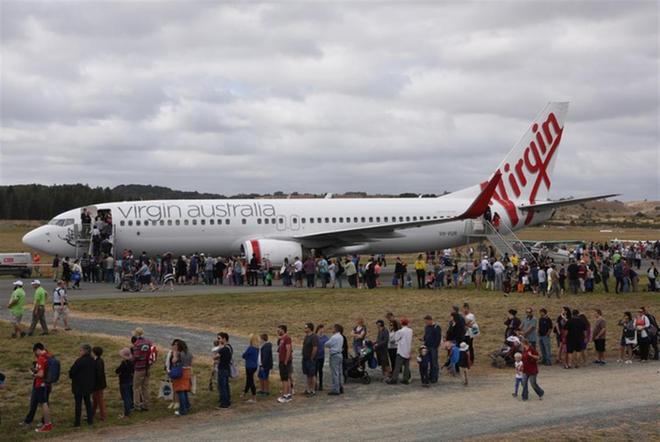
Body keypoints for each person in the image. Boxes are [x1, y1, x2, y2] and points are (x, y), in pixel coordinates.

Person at [22, 343, 53, 432]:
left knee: (43, 404)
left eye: (35, 352)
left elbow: (41, 374)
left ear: (38, 350)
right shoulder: (49, 356)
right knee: (44, 403)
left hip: (40, 384)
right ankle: (46, 423)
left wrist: (33, 374)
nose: (36, 354)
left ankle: (47, 425)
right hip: (47, 384)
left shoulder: (41, 358)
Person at [69, 344, 96, 427]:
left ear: (85, 351)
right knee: (88, 403)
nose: (79, 352)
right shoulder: (92, 360)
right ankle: (90, 421)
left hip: (78, 386)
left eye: (81, 350)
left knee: (78, 404)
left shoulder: (79, 361)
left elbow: (72, 372)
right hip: (88, 385)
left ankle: (77, 422)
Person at [131, 327, 153, 411]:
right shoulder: (148, 342)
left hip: (139, 368)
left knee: (136, 387)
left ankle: (137, 405)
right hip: (147, 367)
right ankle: (146, 404)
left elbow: (136, 357)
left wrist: (131, 360)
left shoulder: (137, 344)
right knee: (145, 387)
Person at [171, 340, 193, 415]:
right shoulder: (189, 353)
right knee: (185, 390)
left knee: (180, 391)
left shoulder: (179, 354)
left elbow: (174, 361)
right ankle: (187, 405)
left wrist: (174, 353)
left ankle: (183, 409)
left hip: (181, 372)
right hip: (188, 371)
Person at [388, 318, 412, 385]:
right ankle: (406, 379)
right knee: (406, 367)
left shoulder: (400, 331)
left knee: (397, 366)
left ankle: (394, 379)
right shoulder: (410, 331)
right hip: (407, 350)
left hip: (401, 350)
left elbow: (396, 339)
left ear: (401, 323)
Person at [325, 324, 344, 395]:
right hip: (339, 354)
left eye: (333, 328)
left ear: (336, 329)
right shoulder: (341, 336)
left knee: (335, 372)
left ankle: (336, 389)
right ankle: (340, 386)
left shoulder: (334, 337)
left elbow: (327, 344)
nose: (332, 329)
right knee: (339, 372)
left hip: (334, 355)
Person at [115, 348, 134, 418]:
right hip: (130, 380)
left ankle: (126, 413)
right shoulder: (131, 362)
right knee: (128, 396)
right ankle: (129, 409)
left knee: (125, 397)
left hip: (123, 381)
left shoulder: (124, 363)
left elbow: (117, 371)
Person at [215, 332, 232, 408]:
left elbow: (215, 357)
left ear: (224, 339)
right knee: (226, 385)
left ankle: (224, 403)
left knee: (222, 386)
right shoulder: (229, 347)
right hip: (227, 368)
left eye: (219, 338)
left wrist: (218, 349)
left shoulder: (223, 349)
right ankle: (227, 400)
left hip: (222, 368)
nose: (218, 340)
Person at [276, 325, 293, 403]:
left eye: (279, 330)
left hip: (284, 362)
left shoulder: (287, 338)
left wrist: (285, 361)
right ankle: (288, 394)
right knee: (286, 378)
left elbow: (288, 349)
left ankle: (285, 395)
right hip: (282, 361)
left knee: (284, 379)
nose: (277, 331)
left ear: (283, 330)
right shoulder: (282, 339)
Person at [422, 315, 441, 383]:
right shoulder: (427, 327)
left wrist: (435, 346)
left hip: (433, 347)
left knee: (434, 363)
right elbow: (426, 335)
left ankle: (434, 377)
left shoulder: (436, 327)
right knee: (427, 362)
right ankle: (429, 376)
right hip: (427, 347)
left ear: (430, 320)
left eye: (426, 321)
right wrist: (423, 339)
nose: (426, 323)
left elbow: (438, 338)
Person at [302, 322, 319, 397]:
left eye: (306, 327)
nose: (305, 329)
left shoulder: (314, 336)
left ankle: (313, 390)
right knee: (307, 374)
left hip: (310, 359)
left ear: (310, 328)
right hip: (305, 358)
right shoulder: (306, 336)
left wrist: (312, 357)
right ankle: (308, 389)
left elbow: (315, 348)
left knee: (312, 374)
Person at [242, 334, 259, 403]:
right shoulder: (257, 348)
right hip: (254, 366)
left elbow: (244, 355)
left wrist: (246, 356)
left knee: (250, 381)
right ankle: (245, 393)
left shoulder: (251, 348)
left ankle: (254, 398)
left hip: (249, 366)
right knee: (249, 380)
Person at [91, 346, 107, 421]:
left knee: (99, 400)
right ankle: (92, 413)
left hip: (98, 385)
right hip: (98, 384)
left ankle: (103, 416)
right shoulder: (99, 360)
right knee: (95, 399)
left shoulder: (98, 362)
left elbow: (98, 374)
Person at [315, 325, 329, 391]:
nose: (323, 330)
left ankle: (321, 385)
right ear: (319, 329)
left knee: (320, 370)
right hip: (315, 356)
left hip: (321, 356)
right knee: (315, 371)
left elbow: (328, 343)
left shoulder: (325, 337)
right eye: (322, 329)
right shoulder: (315, 336)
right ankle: (315, 384)